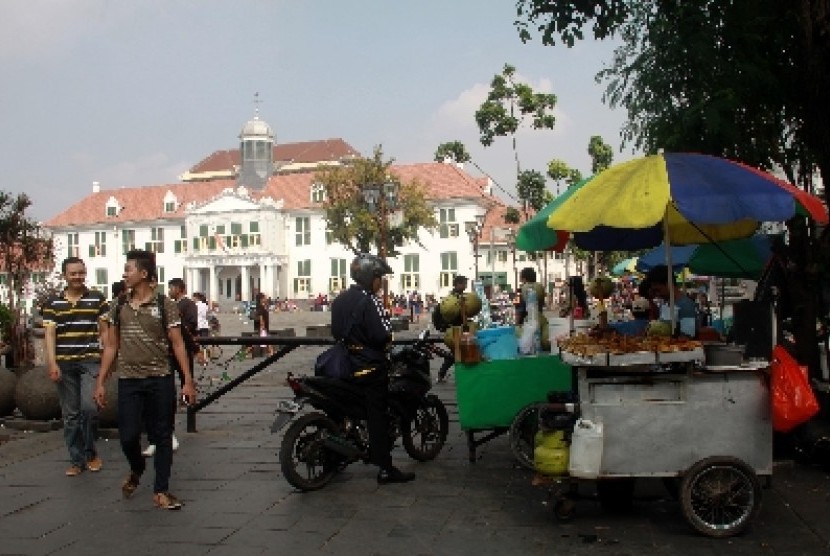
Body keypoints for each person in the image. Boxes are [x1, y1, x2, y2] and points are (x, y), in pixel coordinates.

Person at [94, 250, 197, 511]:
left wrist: (187, 379)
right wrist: (100, 381)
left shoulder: (165, 304)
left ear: (143, 274)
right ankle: (137, 468)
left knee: (162, 436)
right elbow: (111, 346)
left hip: (160, 378)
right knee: (128, 436)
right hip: (129, 380)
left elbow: (177, 344)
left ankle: (161, 490)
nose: (124, 273)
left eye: (128, 269)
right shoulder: (118, 305)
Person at [331, 253, 415, 485]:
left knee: (344, 409)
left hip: (344, 364)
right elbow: (381, 334)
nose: (381, 282)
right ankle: (385, 467)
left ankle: (336, 455)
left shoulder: (339, 301)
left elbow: (336, 332)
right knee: (377, 414)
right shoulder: (370, 301)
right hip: (368, 366)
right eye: (379, 277)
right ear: (370, 278)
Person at [42, 256, 110, 477]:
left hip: (90, 360)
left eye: (81, 272)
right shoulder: (53, 303)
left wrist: (108, 359)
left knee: (89, 410)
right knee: (70, 414)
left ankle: (91, 453)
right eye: (73, 273)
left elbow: (105, 331)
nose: (78, 277)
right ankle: (76, 459)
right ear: (65, 275)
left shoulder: (97, 299)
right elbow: (50, 334)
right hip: (65, 362)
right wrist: (52, 362)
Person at [645, 265, 698, 337]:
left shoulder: (686, 306)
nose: (657, 294)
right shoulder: (665, 304)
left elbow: (687, 337)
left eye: (658, 290)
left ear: (669, 284)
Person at [435, 275, 469, 383]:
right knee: (456, 353)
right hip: (454, 328)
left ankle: (443, 374)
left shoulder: (456, 295)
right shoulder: (455, 297)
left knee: (456, 352)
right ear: (458, 284)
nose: (465, 285)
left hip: (455, 327)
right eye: (464, 283)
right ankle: (443, 374)